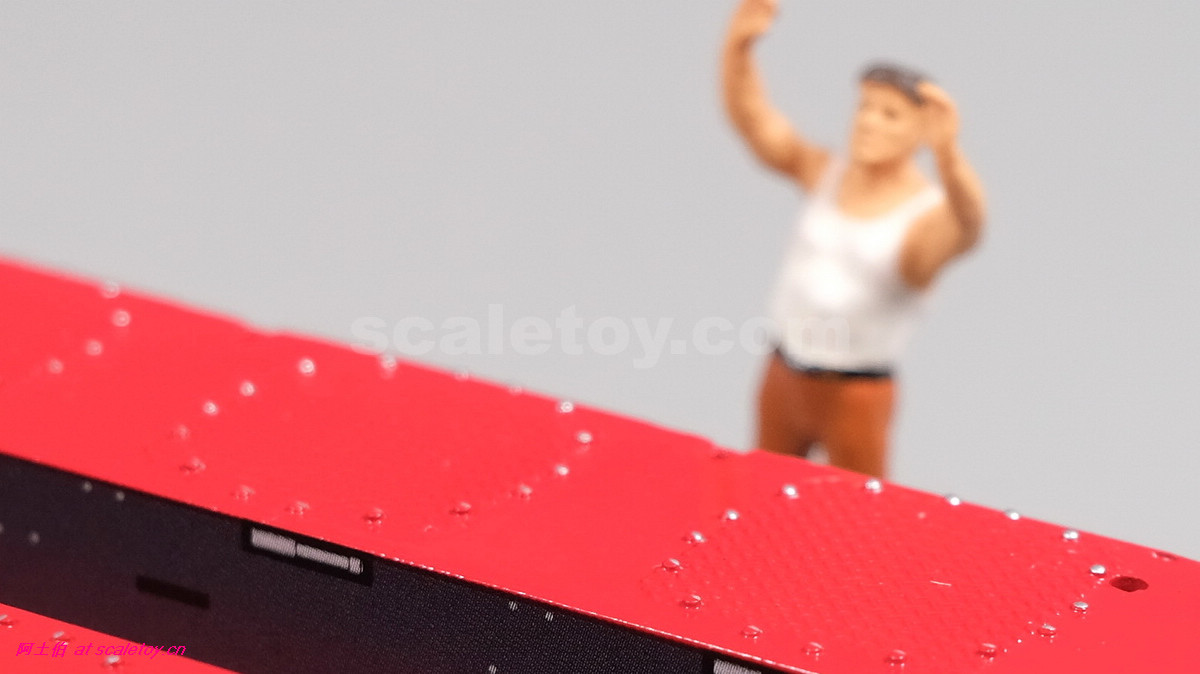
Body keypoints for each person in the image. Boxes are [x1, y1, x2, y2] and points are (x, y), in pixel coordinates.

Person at [721, 0, 987, 478]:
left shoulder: (921, 217)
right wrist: (739, 51)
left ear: (922, 130)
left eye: (890, 114)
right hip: (785, 373)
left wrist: (950, 157)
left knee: (857, 508)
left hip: (854, 393)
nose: (868, 122)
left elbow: (968, 226)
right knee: (760, 488)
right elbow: (758, 125)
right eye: (865, 106)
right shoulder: (826, 174)